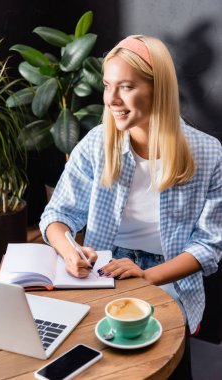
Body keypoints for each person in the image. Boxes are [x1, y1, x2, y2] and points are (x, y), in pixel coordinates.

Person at [40, 34, 222, 342]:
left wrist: (147, 276)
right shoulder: (97, 144)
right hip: (105, 272)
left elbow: (208, 245)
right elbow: (58, 213)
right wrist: (70, 251)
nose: (111, 99)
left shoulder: (208, 153)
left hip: (170, 275)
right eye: (108, 85)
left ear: (158, 89)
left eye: (126, 86)